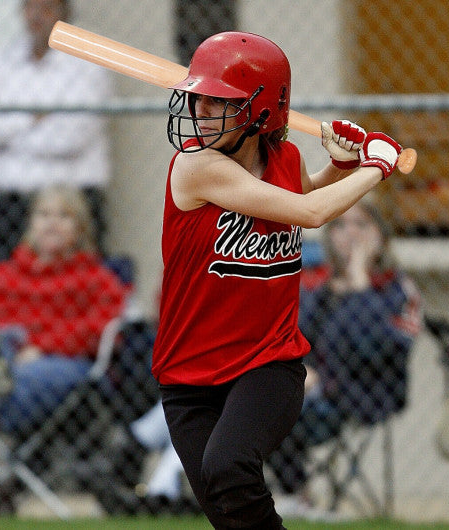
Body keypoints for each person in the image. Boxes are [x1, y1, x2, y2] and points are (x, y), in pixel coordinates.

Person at [151, 31, 405, 530]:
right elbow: (310, 213)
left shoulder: (284, 160)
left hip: (267, 363)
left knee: (229, 466)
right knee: (230, 510)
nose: (200, 109)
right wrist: (378, 166)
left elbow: (302, 196)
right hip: (188, 374)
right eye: (198, 96)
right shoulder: (196, 167)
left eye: (218, 100)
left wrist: (342, 166)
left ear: (262, 112)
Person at [268, 199, 422, 516]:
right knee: (258, 397)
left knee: (277, 407)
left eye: (361, 225)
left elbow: (376, 350)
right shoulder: (322, 289)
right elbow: (296, 340)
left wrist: (360, 282)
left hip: (370, 393)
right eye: (340, 225)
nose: (350, 233)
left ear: (381, 236)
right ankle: (296, 494)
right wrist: (303, 372)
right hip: (315, 393)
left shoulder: (395, 289)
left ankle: (296, 494)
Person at [0, 185, 127, 433]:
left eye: (64, 216)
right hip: (7, 355)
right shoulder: (0, 276)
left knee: (24, 375)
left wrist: (40, 347)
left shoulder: (96, 278)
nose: (52, 223)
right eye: (44, 215)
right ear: (31, 224)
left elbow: (103, 330)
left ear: (81, 229)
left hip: (60, 362)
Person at [0, 0, 113, 261]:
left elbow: (69, 138)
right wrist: (30, 117)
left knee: (72, 290)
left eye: (47, 6)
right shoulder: (3, 60)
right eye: (30, 6)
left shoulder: (87, 61)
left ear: (65, 12)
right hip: (9, 206)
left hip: (70, 202)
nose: (37, 14)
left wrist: (1, 135)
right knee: (8, 291)